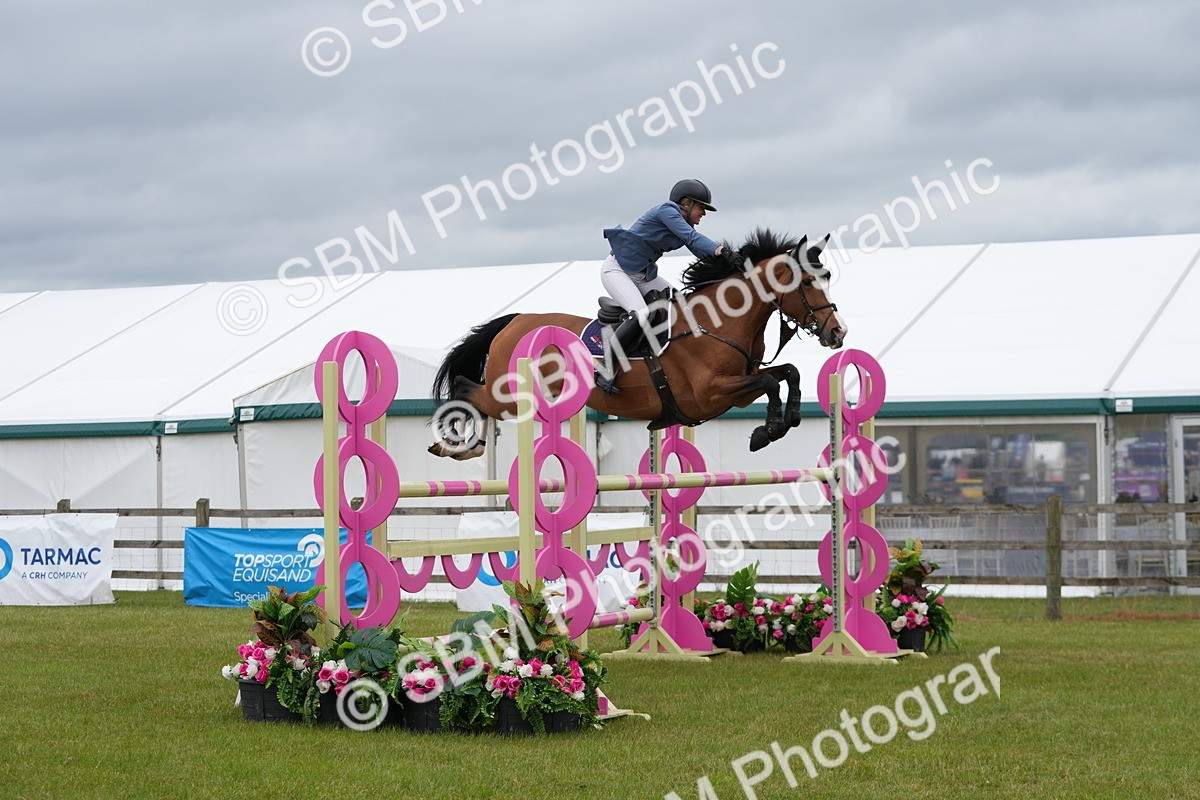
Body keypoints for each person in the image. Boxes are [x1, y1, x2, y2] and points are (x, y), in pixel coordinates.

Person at [597, 179, 733, 393]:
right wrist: (720, 250)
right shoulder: (667, 211)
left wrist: (730, 262)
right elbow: (692, 238)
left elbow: (698, 249)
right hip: (617, 271)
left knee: (681, 305)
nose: (704, 213)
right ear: (686, 203)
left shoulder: (683, 224)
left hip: (641, 275)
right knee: (641, 314)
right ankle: (605, 369)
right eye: (702, 207)